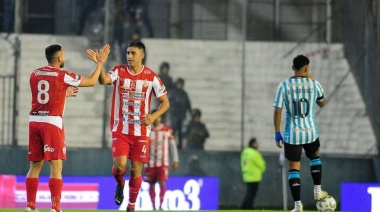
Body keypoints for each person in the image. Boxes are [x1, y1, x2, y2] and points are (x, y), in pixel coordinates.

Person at [25, 44, 110, 212]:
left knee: (35, 166)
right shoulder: (63, 75)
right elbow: (92, 82)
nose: (64, 58)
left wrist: (62, 93)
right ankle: (55, 207)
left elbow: (44, 95)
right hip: (51, 123)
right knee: (56, 167)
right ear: (58, 58)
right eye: (63, 55)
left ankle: (30, 206)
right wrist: (100, 62)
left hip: (34, 121)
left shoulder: (34, 74)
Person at [95, 41, 170, 212]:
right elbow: (104, 80)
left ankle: (131, 205)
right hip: (121, 128)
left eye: (133, 53)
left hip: (141, 131)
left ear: (142, 55)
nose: (129, 56)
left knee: (136, 170)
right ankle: (120, 184)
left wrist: (153, 116)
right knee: (120, 166)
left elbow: (165, 103)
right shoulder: (118, 71)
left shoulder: (151, 76)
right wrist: (100, 63)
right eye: (128, 53)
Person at [273, 54, 328, 212]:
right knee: (315, 157)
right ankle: (317, 190)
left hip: (292, 134)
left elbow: (278, 111)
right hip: (310, 132)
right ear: (307, 68)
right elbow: (322, 103)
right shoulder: (313, 84)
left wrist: (277, 132)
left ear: (293, 68)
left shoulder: (283, 86)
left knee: (294, 168)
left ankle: (298, 205)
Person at [144, 109, 179, 210]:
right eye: (154, 116)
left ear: (160, 117)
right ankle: (153, 207)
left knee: (162, 182)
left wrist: (175, 160)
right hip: (149, 162)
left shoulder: (167, 130)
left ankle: (161, 206)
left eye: (157, 116)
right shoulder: (148, 129)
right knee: (151, 184)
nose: (156, 119)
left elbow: (173, 146)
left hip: (163, 162)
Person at [240, 138, 266, 209]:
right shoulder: (254, 153)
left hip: (247, 175)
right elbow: (261, 164)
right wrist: (262, 169)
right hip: (254, 176)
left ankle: (244, 206)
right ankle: (248, 207)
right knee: (251, 193)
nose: (258, 144)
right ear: (253, 144)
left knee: (249, 192)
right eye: (256, 143)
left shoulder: (245, 152)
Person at [168, 78, 192, 149]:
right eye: (179, 84)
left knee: (180, 130)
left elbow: (187, 103)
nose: (180, 85)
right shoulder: (172, 92)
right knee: (173, 130)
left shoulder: (184, 93)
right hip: (174, 114)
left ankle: (180, 145)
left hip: (181, 114)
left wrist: (190, 112)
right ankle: (171, 144)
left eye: (181, 84)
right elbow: (168, 102)